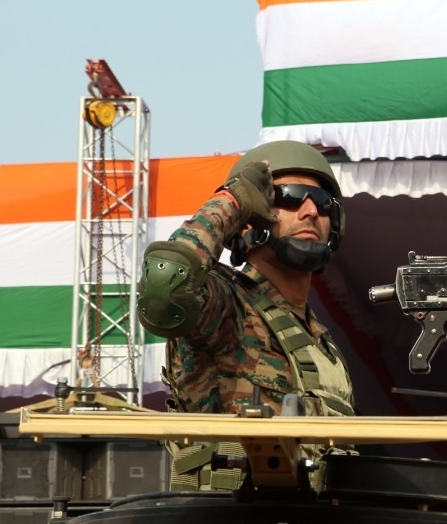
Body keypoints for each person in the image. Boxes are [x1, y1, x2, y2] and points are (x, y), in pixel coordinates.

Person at [138, 140, 355, 420]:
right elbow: (165, 283)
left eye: (323, 202)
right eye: (290, 197)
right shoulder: (230, 308)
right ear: (247, 223)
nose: (311, 211)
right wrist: (234, 200)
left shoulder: (322, 345)